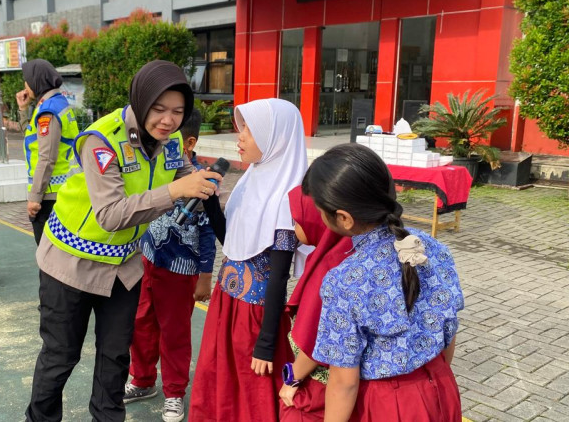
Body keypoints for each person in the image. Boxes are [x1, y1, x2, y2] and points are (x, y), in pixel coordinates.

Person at [25, 60, 222, 422]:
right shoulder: (101, 140)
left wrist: (198, 178)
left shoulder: (172, 141)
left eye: (178, 112)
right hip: (70, 263)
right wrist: (176, 189)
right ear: (141, 99)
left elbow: (180, 174)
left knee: (115, 355)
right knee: (61, 355)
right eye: (159, 109)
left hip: (123, 267)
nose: (168, 120)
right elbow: (111, 215)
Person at [303, 143, 463, 421]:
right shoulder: (433, 248)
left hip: (388, 404)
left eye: (320, 210)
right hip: (441, 387)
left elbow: (344, 381)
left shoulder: (344, 280)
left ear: (343, 218)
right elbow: (448, 333)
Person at [189, 98, 307, 422]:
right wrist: (212, 206)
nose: (239, 137)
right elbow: (235, 243)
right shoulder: (250, 181)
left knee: (252, 394)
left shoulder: (286, 198)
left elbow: (279, 277)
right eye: (241, 129)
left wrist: (267, 342)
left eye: (249, 131)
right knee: (219, 381)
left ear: (275, 138)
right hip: (225, 304)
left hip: (255, 316)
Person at [123, 108, 216, 422]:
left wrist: (205, 275)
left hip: (181, 271)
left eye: (169, 137)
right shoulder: (156, 166)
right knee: (141, 324)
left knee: (174, 333)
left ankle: (174, 392)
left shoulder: (203, 181)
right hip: (147, 261)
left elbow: (207, 233)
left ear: (187, 143)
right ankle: (142, 380)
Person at [277, 186, 353, 421]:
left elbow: (316, 340)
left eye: (297, 220)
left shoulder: (328, 269)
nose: (294, 227)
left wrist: (292, 378)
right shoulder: (346, 251)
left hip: (318, 388)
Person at [15, 59, 79, 244]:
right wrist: (23, 110)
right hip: (60, 189)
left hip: (50, 195)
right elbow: (33, 138)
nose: (25, 86)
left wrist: (35, 198)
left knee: (49, 255)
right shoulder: (56, 103)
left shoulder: (48, 111)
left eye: (26, 80)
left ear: (37, 80)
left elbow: (46, 157)